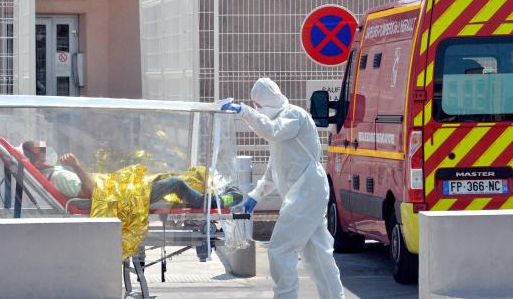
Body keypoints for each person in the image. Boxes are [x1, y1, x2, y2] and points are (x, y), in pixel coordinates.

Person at [221, 78, 345, 299]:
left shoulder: (293, 116)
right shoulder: (281, 124)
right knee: (318, 256)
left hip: (307, 193)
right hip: (306, 194)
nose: (257, 109)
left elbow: (272, 131)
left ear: (264, 102)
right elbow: (273, 170)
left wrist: (245, 112)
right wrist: (254, 197)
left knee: (280, 249)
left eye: (257, 104)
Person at [21, 140, 242, 208]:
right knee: (176, 183)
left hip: (120, 191)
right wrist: (77, 165)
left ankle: (218, 190)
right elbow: (91, 192)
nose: (47, 148)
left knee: (171, 178)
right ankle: (224, 199)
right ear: (38, 162)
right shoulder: (60, 176)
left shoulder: (55, 173)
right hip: (122, 199)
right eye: (41, 149)